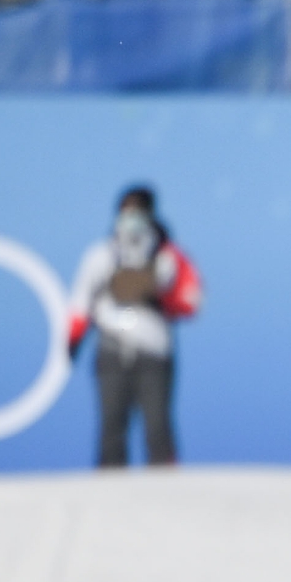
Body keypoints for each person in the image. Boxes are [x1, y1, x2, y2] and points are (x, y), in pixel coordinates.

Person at [67, 186, 201, 468]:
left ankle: (168, 498)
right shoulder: (100, 254)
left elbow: (191, 300)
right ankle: (110, 501)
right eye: (126, 210)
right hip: (112, 352)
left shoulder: (169, 257)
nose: (131, 217)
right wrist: (74, 337)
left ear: (151, 215)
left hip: (154, 354)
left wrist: (160, 293)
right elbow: (81, 301)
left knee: (158, 429)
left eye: (139, 211)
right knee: (111, 431)